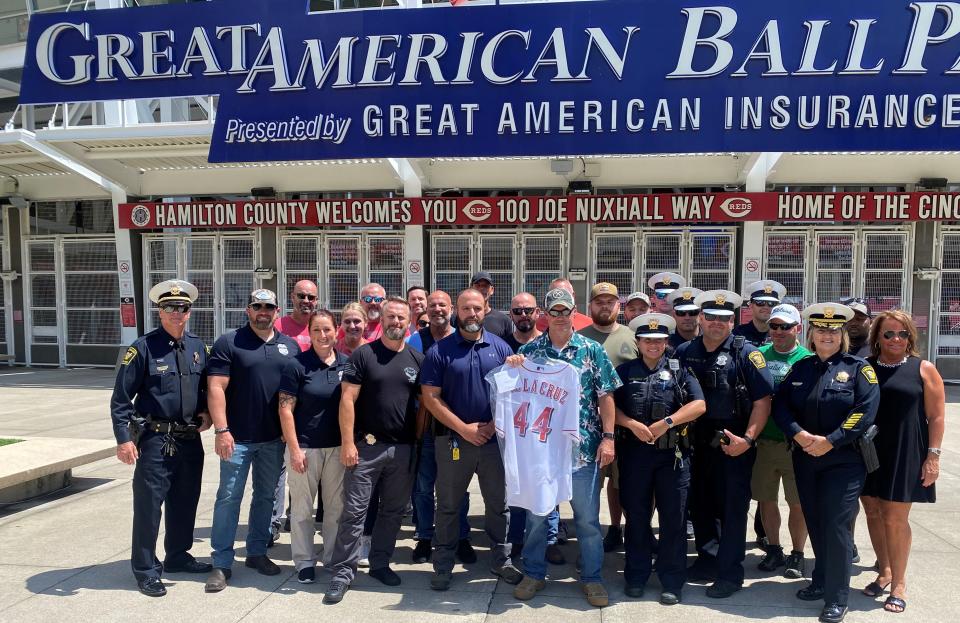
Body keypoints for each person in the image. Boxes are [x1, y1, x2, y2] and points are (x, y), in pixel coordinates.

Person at [512, 288, 622, 608]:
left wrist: (609, 437)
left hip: (583, 449)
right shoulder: (531, 351)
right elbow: (517, 398)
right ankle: (534, 573)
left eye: (565, 311)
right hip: (542, 451)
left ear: (574, 312)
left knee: (587, 520)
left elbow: (606, 396)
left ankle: (591, 578)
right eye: (554, 311)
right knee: (537, 518)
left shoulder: (591, 350)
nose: (560, 317)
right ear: (546, 314)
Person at [772, 303, 880, 623]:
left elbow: (865, 410)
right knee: (816, 521)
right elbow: (781, 407)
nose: (827, 335)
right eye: (821, 330)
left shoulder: (859, 368)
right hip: (806, 457)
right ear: (812, 334)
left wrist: (830, 440)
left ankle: (837, 597)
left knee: (835, 525)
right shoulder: (801, 369)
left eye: (833, 330)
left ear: (842, 334)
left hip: (844, 461)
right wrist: (800, 435)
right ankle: (821, 578)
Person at [110, 280, 212, 597]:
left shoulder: (199, 348)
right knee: (149, 506)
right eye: (169, 308)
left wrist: (207, 412)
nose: (176, 313)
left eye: (182, 308)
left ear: (189, 311)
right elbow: (120, 399)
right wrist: (124, 439)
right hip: (155, 440)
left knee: (185, 502)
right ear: (160, 311)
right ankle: (145, 569)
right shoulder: (141, 348)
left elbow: (208, 389)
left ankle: (178, 556)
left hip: (189, 440)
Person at [323, 298, 425, 605]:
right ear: (381, 318)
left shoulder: (417, 359)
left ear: (410, 323)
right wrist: (348, 443)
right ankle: (342, 573)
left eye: (401, 318)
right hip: (365, 449)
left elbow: (423, 407)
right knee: (354, 513)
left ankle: (380, 563)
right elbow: (347, 400)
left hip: (403, 450)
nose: (396, 322)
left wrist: (415, 442)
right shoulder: (363, 355)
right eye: (391, 316)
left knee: (392, 512)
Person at [421, 289, 523, 591]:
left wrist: (492, 426)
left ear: (486, 309)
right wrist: (464, 429)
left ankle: (501, 560)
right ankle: (442, 565)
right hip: (453, 442)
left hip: (493, 443)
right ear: (456, 311)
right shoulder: (440, 351)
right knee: (449, 507)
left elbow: (512, 395)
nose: (472, 314)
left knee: (498, 506)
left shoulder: (502, 348)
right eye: (466, 309)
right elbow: (430, 398)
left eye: (477, 308)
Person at [676, 290, 774, 598]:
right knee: (699, 504)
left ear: (734, 321)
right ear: (701, 319)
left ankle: (730, 572)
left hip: (733, 441)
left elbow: (762, 401)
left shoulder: (746, 353)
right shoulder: (683, 351)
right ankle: (707, 559)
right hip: (694, 440)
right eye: (712, 317)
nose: (717, 323)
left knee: (732, 509)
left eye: (725, 318)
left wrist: (747, 440)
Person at [205, 289, 300, 592]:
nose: (263, 311)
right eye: (257, 306)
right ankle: (221, 563)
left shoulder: (290, 346)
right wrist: (221, 430)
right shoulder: (229, 342)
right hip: (237, 439)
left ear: (277, 310)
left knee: (265, 498)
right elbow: (216, 387)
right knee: (229, 498)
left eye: (268, 307)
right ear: (248, 310)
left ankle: (257, 553)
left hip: (273, 439)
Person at [615, 313, 706, 605]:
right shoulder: (625, 371)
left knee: (674, 520)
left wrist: (667, 422)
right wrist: (630, 424)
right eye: (647, 340)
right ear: (638, 342)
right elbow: (607, 407)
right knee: (637, 517)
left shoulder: (681, 371)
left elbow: (699, 405)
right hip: (635, 455)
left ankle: (671, 580)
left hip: (673, 457)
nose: (653, 345)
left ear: (666, 342)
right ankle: (637, 576)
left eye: (659, 340)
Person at [860, 310, 945, 614]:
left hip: (905, 452)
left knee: (895, 518)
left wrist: (933, 456)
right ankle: (883, 572)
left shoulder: (924, 369)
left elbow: (936, 416)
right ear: (877, 338)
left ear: (911, 337)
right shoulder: (865, 367)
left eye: (903, 333)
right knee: (872, 511)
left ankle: (898, 583)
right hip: (868, 451)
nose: (896, 339)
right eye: (889, 334)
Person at [277, 310, 349, 584]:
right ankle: (305, 561)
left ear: (336, 331)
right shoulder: (296, 365)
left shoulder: (346, 364)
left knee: (335, 509)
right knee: (302, 510)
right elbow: (285, 410)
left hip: (337, 448)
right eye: (317, 330)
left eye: (327, 329)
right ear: (310, 332)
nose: (322, 335)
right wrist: (294, 449)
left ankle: (331, 558)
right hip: (305, 447)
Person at [406, 290, 474, 565]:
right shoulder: (415, 340)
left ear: (452, 309)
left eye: (442, 305)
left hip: (455, 429)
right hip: (424, 427)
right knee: (423, 487)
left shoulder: (463, 338)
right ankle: (424, 537)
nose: (437, 310)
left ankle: (461, 537)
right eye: (432, 305)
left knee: (457, 488)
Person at [578, 282, 639, 553]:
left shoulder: (633, 336)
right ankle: (594, 541)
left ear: (619, 305)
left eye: (610, 301)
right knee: (591, 489)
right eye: (599, 301)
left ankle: (622, 529)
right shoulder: (579, 337)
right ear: (590, 306)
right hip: (589, 429)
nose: (605, 306)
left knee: (623, 485)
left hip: (627, 427)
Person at [502, 292, 563, 564]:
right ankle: (517, 540)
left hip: (547, 429)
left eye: (528, 310)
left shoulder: (549, 345)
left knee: (547, 487)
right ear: (511, 315)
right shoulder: (504, 348)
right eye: (518, 311)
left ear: (538, 312)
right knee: (516, 487)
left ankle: (550, 541)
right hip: (517, 431)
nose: (523, 315)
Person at [753, 304, 810, 578]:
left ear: (797, 328)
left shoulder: (808, 359)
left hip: (795, 444)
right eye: (774, 326)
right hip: (764, 441)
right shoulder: (758, 355)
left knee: (798, 502)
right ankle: (774, 549)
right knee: (766, 499)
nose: (778, 331)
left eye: (785, 326)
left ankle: (797, 554)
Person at [271, 279, 320, 545]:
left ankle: (298, 513)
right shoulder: (279, 326)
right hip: (283, 404)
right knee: (281, 468)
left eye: (311, 297)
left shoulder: (317, 326)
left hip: (310, 407)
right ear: (292, 297)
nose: (306, 301)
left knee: (305, 465)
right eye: (301, 296)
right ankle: (274, 520)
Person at [461, 271, 513, 340]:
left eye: (485, 286)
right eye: (478, 285)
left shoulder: (503, 320)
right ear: (471, 288)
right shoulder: (459, 318)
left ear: (492, 290)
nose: (482, 288)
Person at [734, 280, 787, 347]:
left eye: (771, 303)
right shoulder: (737, 334)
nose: (766, 307)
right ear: (751, 306)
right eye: (760, 302)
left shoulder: (783, 334)